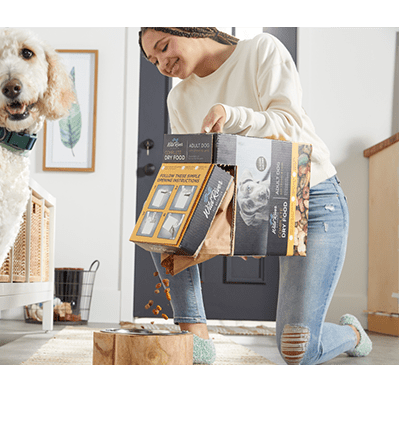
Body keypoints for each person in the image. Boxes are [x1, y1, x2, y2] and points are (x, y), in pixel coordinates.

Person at [139, 27, 372, 365]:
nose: (162, 63)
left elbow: (290, 128)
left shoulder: (261, 50)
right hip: (253, 202)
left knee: (298, 349)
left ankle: (352, 334)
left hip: (313, 200)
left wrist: (233, 115)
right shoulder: (179, 98)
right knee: (162, 223)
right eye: (152, 60)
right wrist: (240, 224)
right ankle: (194, 335)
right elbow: (198, 172)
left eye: (163, 47)